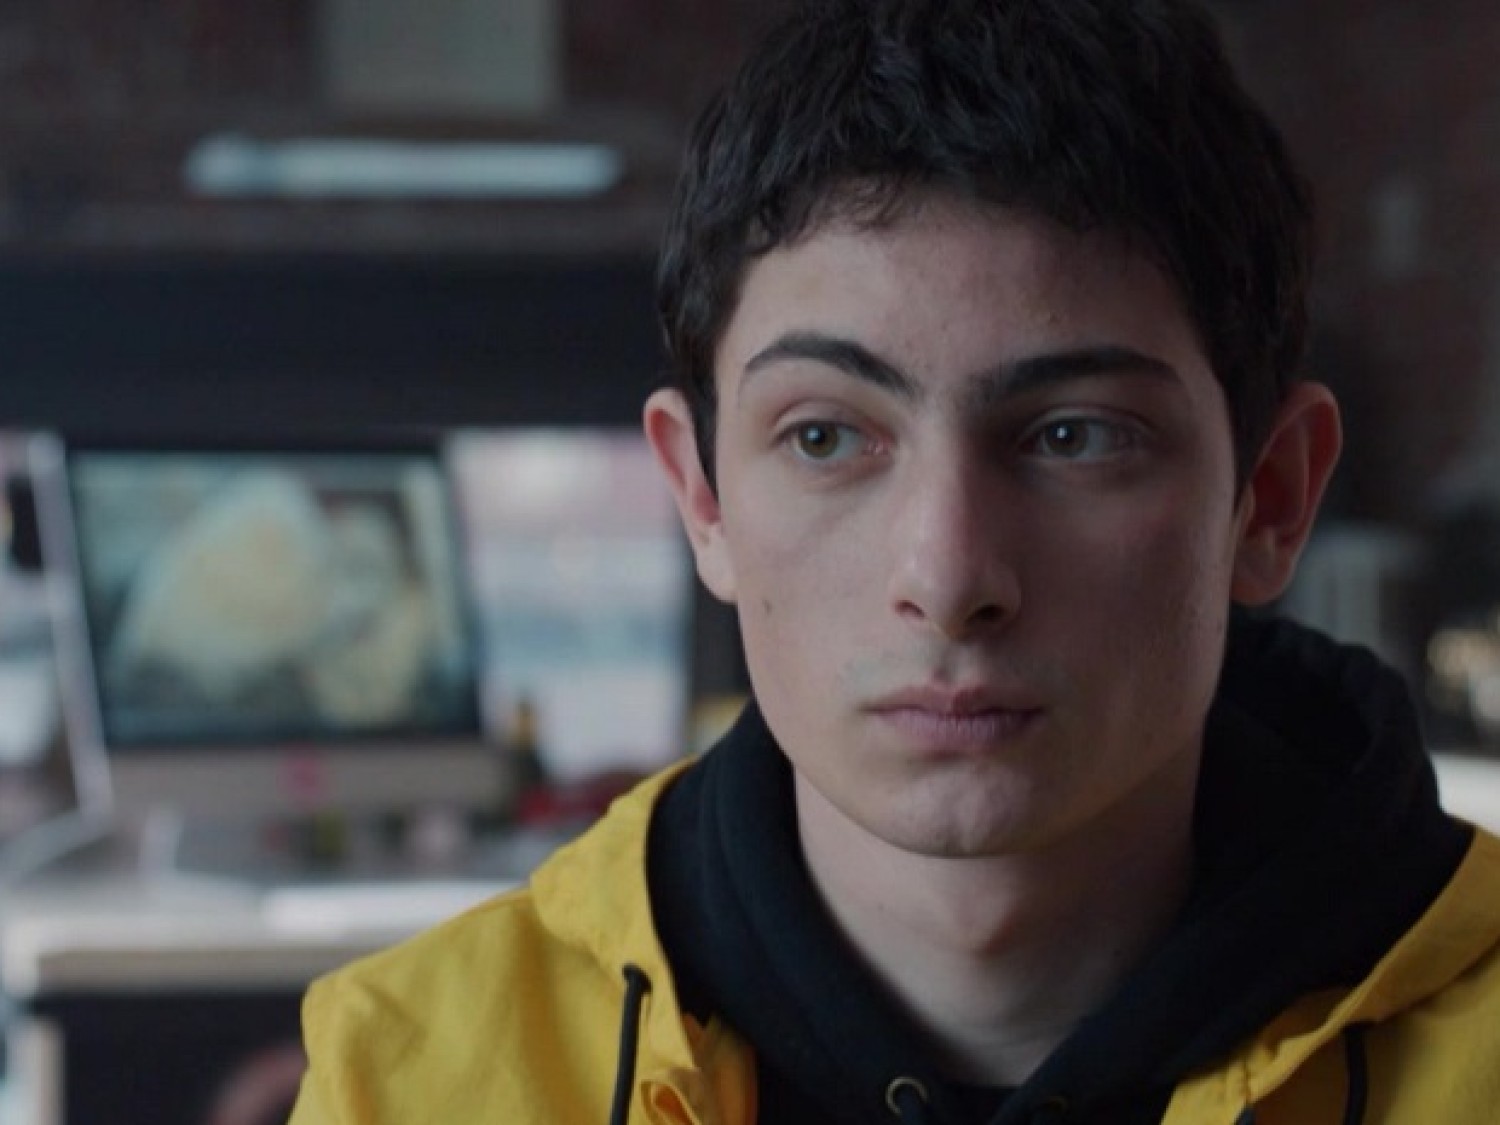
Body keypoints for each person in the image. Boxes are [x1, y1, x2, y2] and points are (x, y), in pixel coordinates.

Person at [288, 1, 1500, 1122]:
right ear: (701, 499)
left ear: (1270, 497)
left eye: (1074, 437)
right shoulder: (409, 1082)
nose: (949, 576)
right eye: (825, 437)